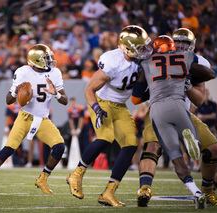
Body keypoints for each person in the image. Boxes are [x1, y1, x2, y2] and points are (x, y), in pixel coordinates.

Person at [133, 28, 217, 207]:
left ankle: (207, 190)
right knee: (152, 146)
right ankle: (145, 188)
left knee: (213, 148)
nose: (182, 46)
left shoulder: (189, 60)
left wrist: (186, 82)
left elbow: (198, 100)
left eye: (186, 43)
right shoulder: (190, 60)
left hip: (177, 108)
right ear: (172, 43)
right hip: (169, 107)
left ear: (192, 45)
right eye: (179, 42)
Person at [66, 25, 153, 207]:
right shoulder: (113, 61)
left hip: (120, 106)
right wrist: (97, 108)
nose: (145, 50)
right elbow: (89, 89)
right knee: (106, 138)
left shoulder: (141, 63)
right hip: (102, 102)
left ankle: (108, 192)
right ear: (128, 47)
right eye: (140, 47)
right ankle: (76, 174)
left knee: (130, 144)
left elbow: (137, 95)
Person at [0, 44, 68, 195]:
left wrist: (56, 94)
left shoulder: (55, 73)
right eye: (46, 58)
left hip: (43, 119)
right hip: (25, 117)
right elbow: (8, 100)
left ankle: (43, 178)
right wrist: (16, 93)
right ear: (37, 60)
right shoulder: (23, 72)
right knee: (9, 148)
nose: (50, 60)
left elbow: (64, 100)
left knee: (59, 147)